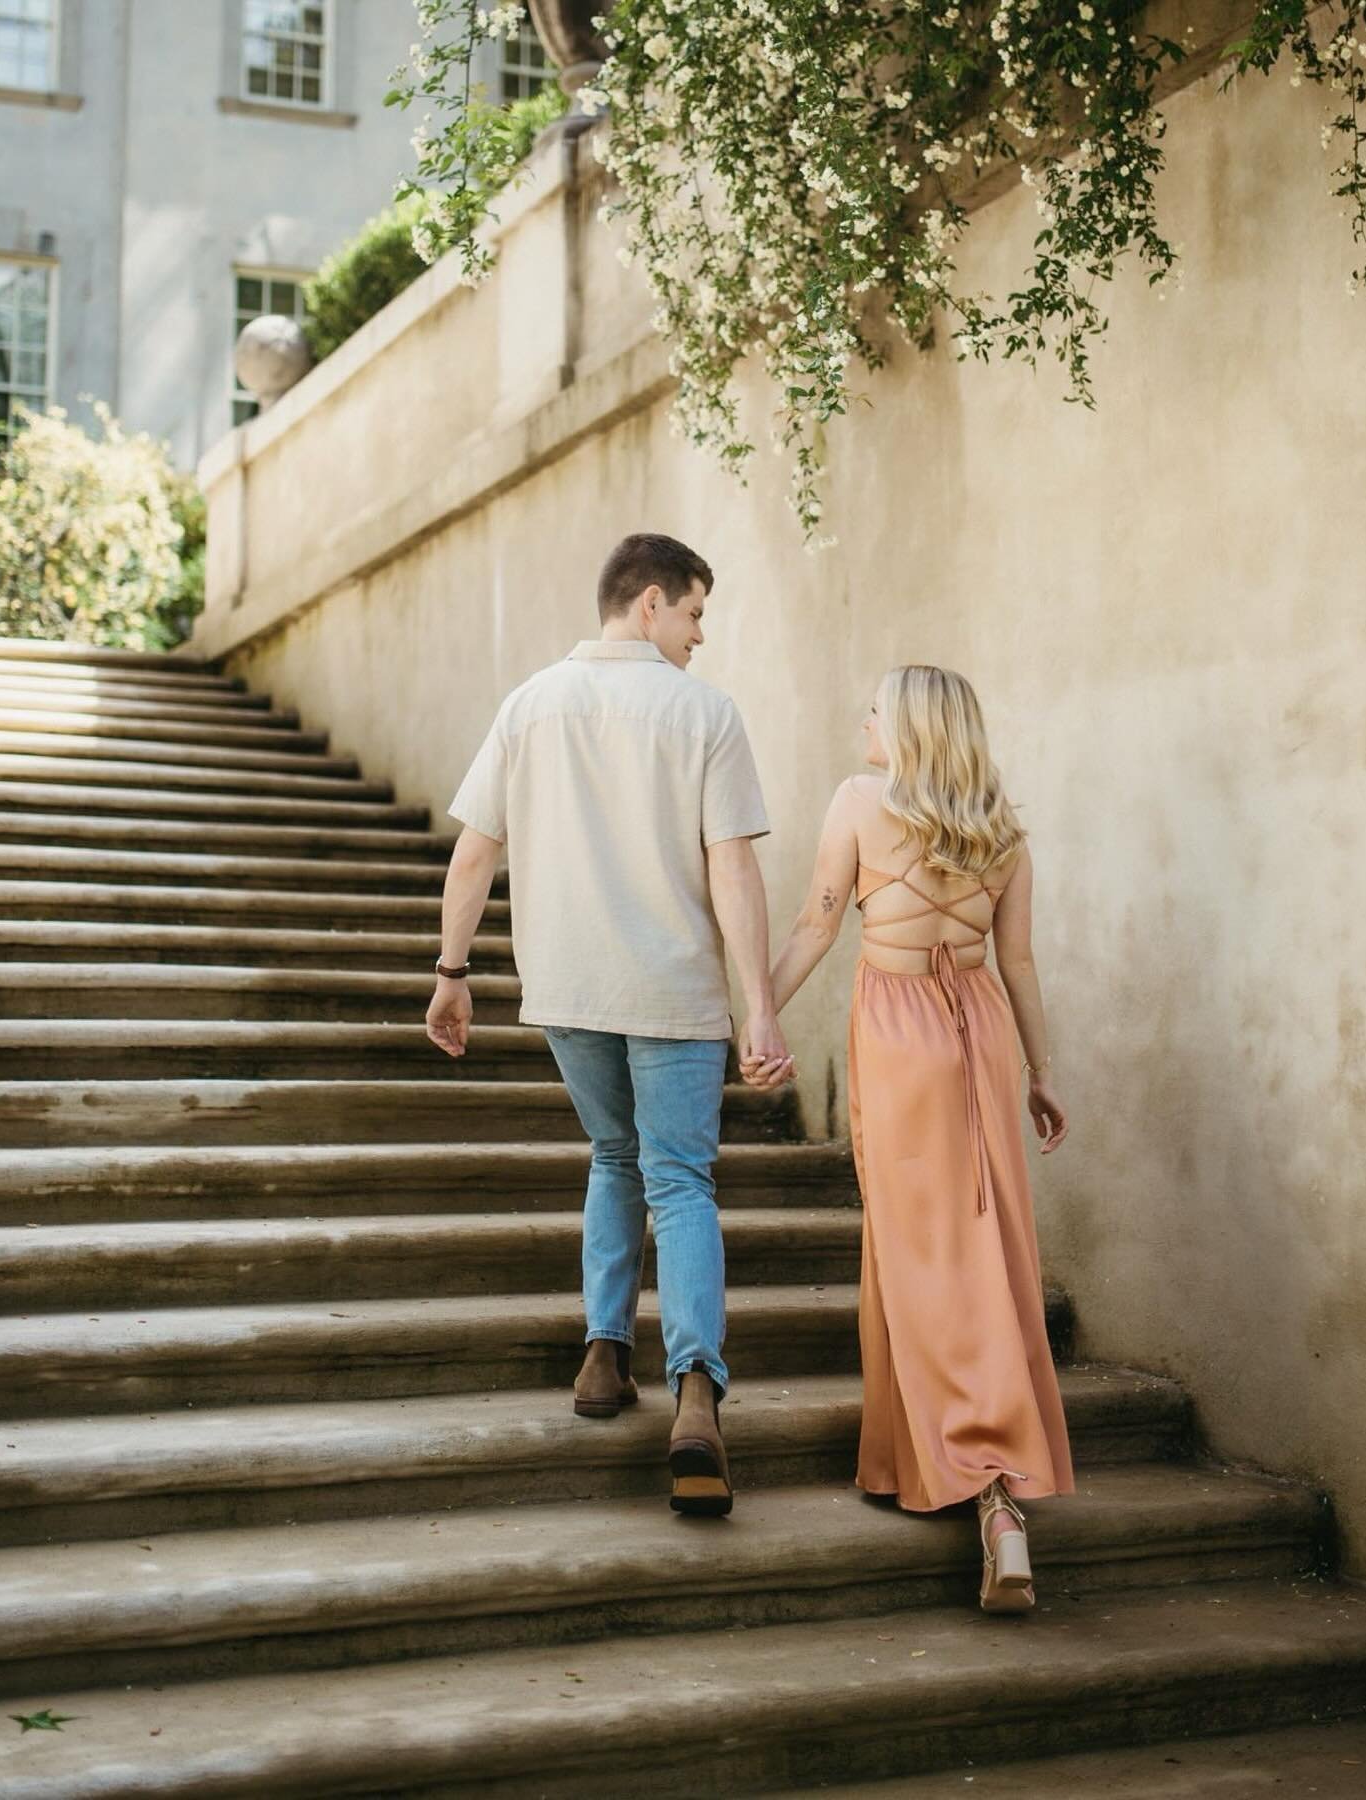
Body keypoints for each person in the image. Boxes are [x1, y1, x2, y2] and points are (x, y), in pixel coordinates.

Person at [425, 532, 794, 1517]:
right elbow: (734, 871)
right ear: (649, 604)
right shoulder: (704, 714)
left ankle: (600, 1355)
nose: (700, 636)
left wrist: (452, 972)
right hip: (672, 991)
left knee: (611, 1154)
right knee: (678, 1179)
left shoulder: (530, 704)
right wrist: (758, 1005)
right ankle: (697, 1395)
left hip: (568, 987)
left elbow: (473, 857)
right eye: (695, 613)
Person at [766, 664, 1073, 1611]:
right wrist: (1041, 1073)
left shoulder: (860, 801)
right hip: (977, 1030)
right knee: (983, 1244)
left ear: (906, 726)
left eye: (875, 707)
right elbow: (1016, 960)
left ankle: (986, 1486)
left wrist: (753, 1019)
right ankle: (938, 1470)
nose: (863, 719)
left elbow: (819, 926)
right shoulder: (1004, 831)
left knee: (916, 1251)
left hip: (899, 1036)